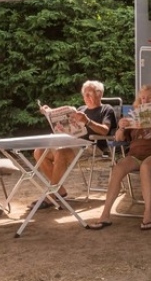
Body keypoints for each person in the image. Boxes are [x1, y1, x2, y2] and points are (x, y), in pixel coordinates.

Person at [86, 84, 151, 231]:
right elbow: (118, 139)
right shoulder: (133, 114)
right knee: (118, 168)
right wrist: (122, 127)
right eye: (142, 98)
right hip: (135, 155)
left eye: (149, 98)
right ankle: (105, 215)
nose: (144, 100)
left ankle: (148, 212)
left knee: (145, 167)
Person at [32, 80, 117, 209]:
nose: (86, 97)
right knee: (39, 151)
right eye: (84, 94)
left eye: (89, 94)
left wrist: (88, 121)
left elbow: (105, 130)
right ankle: (59, 190)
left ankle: (51, 195)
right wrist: (49, 114)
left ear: (99, 94)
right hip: (74, 145)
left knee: (61, 152)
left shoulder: (106, 109)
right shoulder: (81, 109)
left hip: (93, 148)